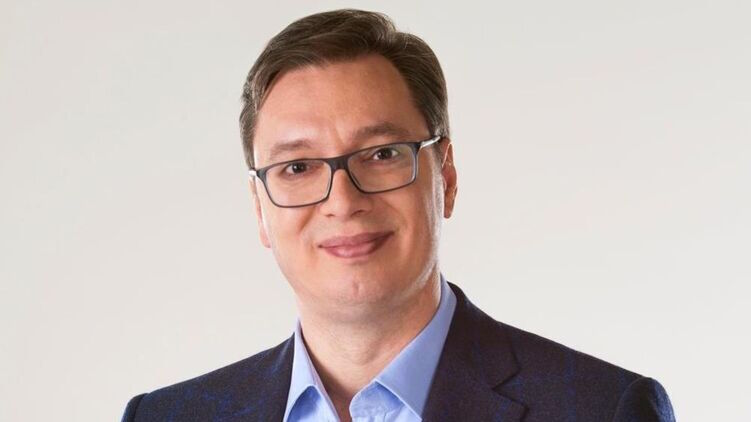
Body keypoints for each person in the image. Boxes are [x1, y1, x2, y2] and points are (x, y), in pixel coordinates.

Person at [121, 9, 675, 422]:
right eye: (298, 168)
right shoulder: (165, 418)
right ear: (259, 209)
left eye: (382, 154)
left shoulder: (602, 409)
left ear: (446, 177)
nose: (342, 200)